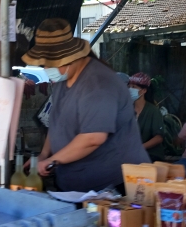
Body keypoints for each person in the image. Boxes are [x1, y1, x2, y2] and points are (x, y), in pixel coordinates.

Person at [23, 19, 149, 192]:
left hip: (112, 187)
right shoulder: (62, 82)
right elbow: (56, 124)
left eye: (49, 63)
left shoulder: (98, 83)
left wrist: (52, 161)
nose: (46, 68)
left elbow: (92, 138)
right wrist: (43, 156)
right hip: (75, 186)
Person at [128, 72, 165, 161]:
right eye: (129, 86)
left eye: (134, 87)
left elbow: (159, 137)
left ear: (144, 90)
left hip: (150, 155)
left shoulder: (153, 111)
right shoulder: (127, 109)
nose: (130, 89)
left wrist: (140, 148)